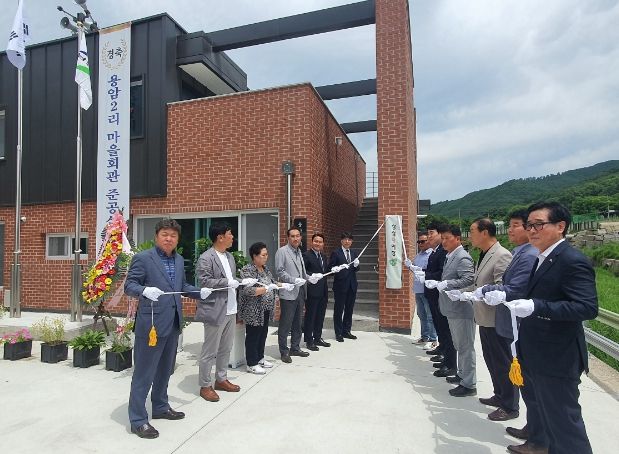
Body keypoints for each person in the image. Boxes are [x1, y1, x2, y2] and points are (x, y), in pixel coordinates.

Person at [501, 202, 598, 454]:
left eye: (538, 225)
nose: (532, 230)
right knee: (549, 420)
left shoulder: (571, 260)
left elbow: (587, 307)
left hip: (557, 357)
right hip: (538, 353)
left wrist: (537, 306)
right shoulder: (542, 257)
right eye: (529, 225)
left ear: (560, 226)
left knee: (565, 428)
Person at [124, 218, 211, 439]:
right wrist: (144, 290)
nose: (169, 239)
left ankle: (161, 407)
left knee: (165, 370)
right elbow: (130, 285)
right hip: (151, 325)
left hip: (172, 323)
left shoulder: (179, 260)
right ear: (156, 236)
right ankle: (138, 420)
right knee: (144, 374)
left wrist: (199, 292)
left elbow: (181, 287)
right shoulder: (143, 258)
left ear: (177, 239)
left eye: (173, 235)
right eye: (165, 234)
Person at [479, 210, 539, 439]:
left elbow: (516, 288)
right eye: (510, 225)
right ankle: (502, 397)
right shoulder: (517, 253)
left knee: (508, 366)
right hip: (503, 320)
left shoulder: (528, 255)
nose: (510, 230)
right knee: (497, 362)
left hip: (515, 323)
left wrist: (486, 290)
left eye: (515, 225)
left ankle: (511, 406)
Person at [195, 222, 257, 402]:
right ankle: (205, 385)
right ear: (220, 237)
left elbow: (231, 279)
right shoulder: (206, 258)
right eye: (230, 234)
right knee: (210, 351)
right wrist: (227, 282)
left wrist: (243, 281)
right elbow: (204, 281)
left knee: (226, 348)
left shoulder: (229, 257)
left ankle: (221, 379)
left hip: (231, 308)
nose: (232, 237)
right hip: (215, 309)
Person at [463, 219, 513, 420]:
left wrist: (481, 293)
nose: (470, 235)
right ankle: (499, 395)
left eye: (472, 231)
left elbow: (502, 288)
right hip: (483, 317)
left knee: (502, 363)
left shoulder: (501, 255)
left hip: (496, 320)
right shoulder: (483, 254)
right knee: (492, 361)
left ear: (485, 233)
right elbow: (478, 283)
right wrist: (467, 293)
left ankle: (510, 405)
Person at [426, 225, 475, 397]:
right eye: (443, 238)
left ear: (458, 239)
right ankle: (462, 375)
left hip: (461, 309)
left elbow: (469, 280)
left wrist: (447, 284)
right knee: (459, 345)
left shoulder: (462, 257)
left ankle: (469, 383)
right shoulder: (450, 256)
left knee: (465, 347)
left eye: (448, 238)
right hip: (451, 308)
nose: (444, 242)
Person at [275, 227, 319, 363]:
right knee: (286, 323)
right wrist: (293, 280)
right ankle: (284, 351)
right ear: (288, 238)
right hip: (289, 292)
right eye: (293, 236)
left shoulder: (299, 251)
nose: (295, 238)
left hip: (300, 291)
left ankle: (295, 347)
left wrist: (310, 277)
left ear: (301, 237)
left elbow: (302, 273)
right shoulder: (282, 251)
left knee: (298, 322)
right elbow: (280, 271)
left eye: (298, 236)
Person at [238, 242, 282, 374]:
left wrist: (285, 285)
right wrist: (266, 288)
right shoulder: (247, 270)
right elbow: (248, 290)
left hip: (266, 308)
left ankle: (260, 358)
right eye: (263, 255)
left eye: (266, 254)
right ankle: (251, 363)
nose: (266, 257)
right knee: (253, 335)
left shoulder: (265, 268)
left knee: (263, 334)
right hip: (254, 309)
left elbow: (272, 282)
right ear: (254, 256)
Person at [422, 223, 457, 379]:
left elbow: (442, 273)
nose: (429, 236)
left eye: (432, 233)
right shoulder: (436, 252)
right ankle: (443, 353)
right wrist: (422, 272)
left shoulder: (444, 253)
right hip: (432, 294)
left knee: (445, 330)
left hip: (440, 295)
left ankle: (450, 363)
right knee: (440, 327)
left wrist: (426, 275)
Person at [404, 232, 437, 349]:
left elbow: (427, 271)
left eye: (423, 241)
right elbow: (415, 270)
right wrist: (410, 265)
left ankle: (433, 339)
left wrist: (414, 267)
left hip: (427, 289)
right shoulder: (418, 255)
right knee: (421, 315)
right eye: (419, 242)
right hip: (418, 289)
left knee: (430, 316)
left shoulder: (432, 255)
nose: (420, 244)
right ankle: (424, 337)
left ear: (428, 241)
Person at [329, 232, 360, 342]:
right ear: (341, 241)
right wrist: (336, 268)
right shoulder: (336, 253)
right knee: (339, 310)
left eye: (349, 239)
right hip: (340, 286)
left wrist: (356, 265)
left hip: (352, 285)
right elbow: (331, 268)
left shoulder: (354, 252)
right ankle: (338, 333)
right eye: (345, 239)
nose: (347, 241)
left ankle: (346, 331)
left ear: (352, 241)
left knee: (349, 310)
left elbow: (356, 269)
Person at [303, 233, 331, 350]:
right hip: (312, 291)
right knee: (311, 316)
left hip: (323, 291)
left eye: (320, 242)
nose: (318, 244)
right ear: (312, 242)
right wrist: (311, 275)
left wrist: (335, 269)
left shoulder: (323, 256)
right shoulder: (306, 255)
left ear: (323, 244)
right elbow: (303, 271)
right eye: (316, 241)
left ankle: (318, 338)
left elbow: (325, 272)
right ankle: (309, 341)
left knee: (320, 316)